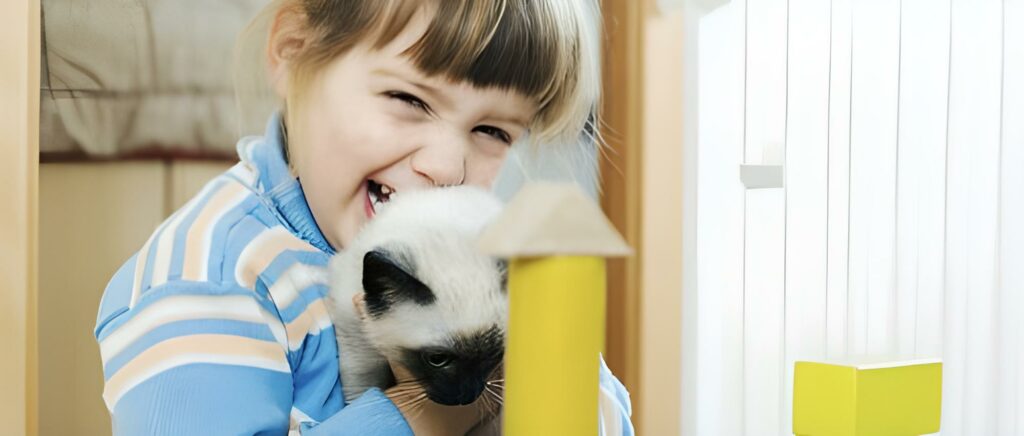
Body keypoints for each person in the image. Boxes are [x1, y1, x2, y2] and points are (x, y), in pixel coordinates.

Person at [93, 0, 633, 434]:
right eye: (408, 98)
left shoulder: (487, 253)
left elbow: (605, 415)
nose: (445, 167)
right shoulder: (206, 282)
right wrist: (425, 416)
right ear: (292, 51)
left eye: (493, 131)